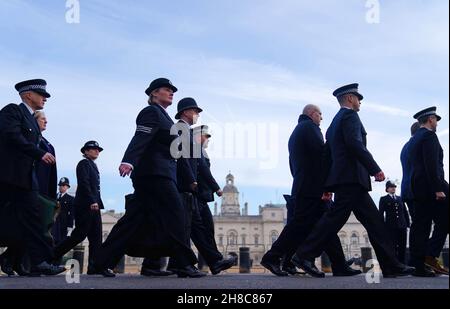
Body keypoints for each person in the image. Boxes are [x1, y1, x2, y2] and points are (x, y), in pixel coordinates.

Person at [292, 83, 414, 278]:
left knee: (372, 222)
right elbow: (355, 144)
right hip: (352, 179)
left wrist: (327, 185)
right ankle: (304, 254)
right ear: (350, 98)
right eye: (358, 98)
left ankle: (391, 265)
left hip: (344, 180)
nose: (360, 103)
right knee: (341, 220)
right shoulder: (350, 116)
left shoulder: (333, 124)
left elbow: (327, 156)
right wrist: (375, 169)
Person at [94, 78, 201, 278]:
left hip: (157, 174)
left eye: (172, 91)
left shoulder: (164, 116)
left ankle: (102, 261)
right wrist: (128, 161)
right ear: (154, 93)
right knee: (176, 214)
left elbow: (175, 152)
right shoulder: (151, 112)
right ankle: (184, 264)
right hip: (154, 174)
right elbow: (141, 136)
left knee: (134, 220)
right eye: (167, 90)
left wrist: (188, 178)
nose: (171, 93)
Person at [261, 104, 361, 277]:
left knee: (323, 225)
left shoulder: (298, 131)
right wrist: (327, 186)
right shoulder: (310, 128)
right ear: (312, 114)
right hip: (312, 187)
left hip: (304, 184)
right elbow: (321, 157)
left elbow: (294, 165)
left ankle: (337, 264)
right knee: (301, 225)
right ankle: (273, 257)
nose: (321, 119)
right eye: (320, 115)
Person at [0, 79, 64, 276]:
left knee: (34, 221)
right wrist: (38, 153)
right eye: (41, 94)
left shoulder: (33, 123)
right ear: (27, 95)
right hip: (6, 176)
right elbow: (11, 136)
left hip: (25, 180)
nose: (45, 98)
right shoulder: (13, 111)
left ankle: (38, 262)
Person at [53, 141, 105, 274]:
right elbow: (84, 183)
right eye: (93, 149)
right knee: (79, 235)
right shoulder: (83, 164)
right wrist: (92, 200)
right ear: (86, 152)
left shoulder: (93, 165)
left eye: (98, 149)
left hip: (95, 205)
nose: (97, 151)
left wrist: (97, 202)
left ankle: (94, 266)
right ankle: (51, 256)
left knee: (96, 236)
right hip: (86, 205)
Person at [408, 107, 448, 277]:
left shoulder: (415, 138)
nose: (437, 123)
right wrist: (438, 188)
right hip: (432, 186)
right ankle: (429, 255)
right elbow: (431, 164)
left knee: (421, 225)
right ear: (430, 119)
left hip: (418, 187)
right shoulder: (430, 136)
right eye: (435, 120)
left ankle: (419, 263)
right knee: (445, 220)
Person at [379, 181, 410, 264]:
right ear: (387, 189)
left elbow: (405, 211)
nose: (393, 188)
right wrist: (382, 226)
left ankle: (403, 264)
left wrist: (407, 224)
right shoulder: (384, 199)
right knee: (393, 246)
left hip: (402, 226)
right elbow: (381, 213)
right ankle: (395, 264)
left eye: (394, 187)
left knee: (402, 246)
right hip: (391, 226)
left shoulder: (400, 198)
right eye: (391, 187)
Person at [34, 111, 57, 200]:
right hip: (33, 188)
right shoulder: (30, 140)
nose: (46, 121)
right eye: (43, 119)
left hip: (45, 190)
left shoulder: (48, 144)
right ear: (34, 120)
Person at [51, 177, 75, 246]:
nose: (61, 187)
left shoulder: (71, 199)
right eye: (60, 185)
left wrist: (70, 227)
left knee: (60, 244)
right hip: (53, 222)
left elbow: (72, 214)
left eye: (63, 185)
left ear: (67, 187)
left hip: (63, 225)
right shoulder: (53, 196)